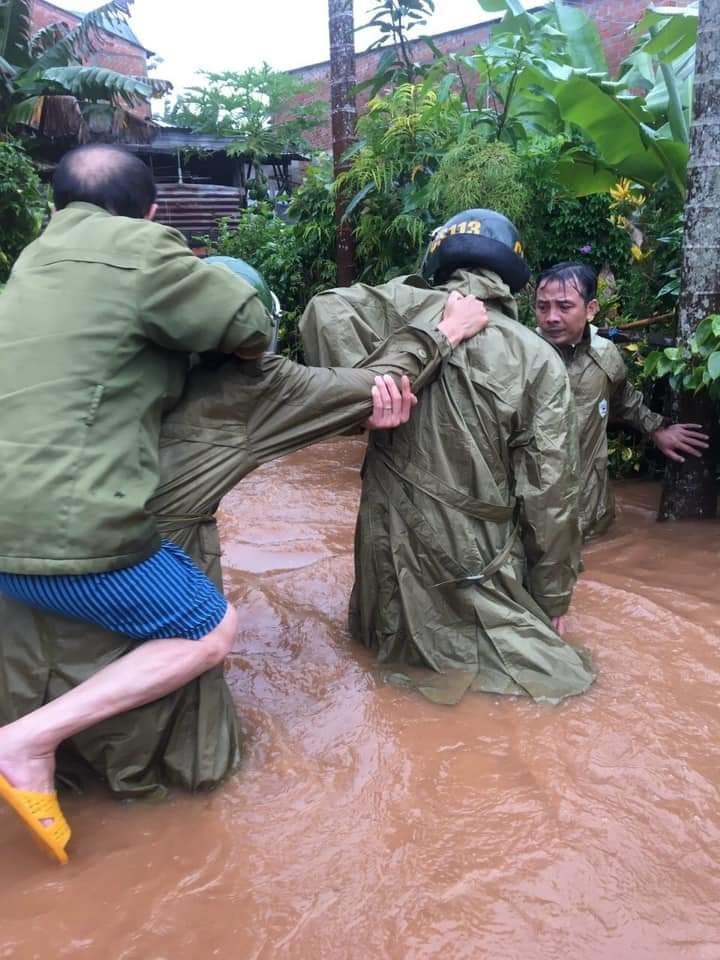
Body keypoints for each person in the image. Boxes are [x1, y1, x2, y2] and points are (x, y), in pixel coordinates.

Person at [0, 257, 488, 861]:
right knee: (186, 780)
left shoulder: (89, 359)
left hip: (27, 568)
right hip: (147, 574)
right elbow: (372, 385)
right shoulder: (251, 389)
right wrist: (445, 330)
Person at [300, 210, 595, 707]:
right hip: (473, 552)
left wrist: (365, 398)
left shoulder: (394, 309)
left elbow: (320, 311)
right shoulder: (536, 357)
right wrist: (551, 598)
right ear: (512, 275)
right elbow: (550, 496)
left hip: (385, 540)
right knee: (563, 684)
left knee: (377, 650)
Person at [535, 262, 709, 539]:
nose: (551, 317)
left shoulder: (605, 356)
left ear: (590, 309)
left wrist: (657, 429)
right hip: (535, 515)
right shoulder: (521, 359)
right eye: (543, 307)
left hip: (592, 509)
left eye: (564, 307)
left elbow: (623, 398)